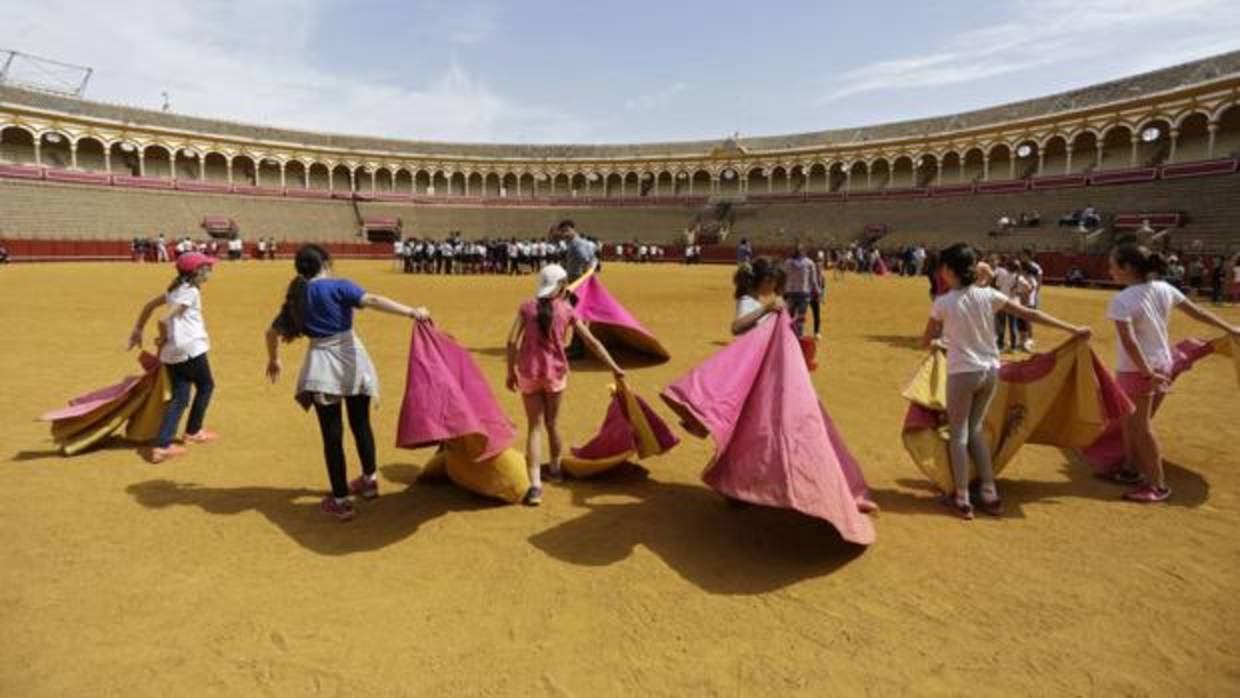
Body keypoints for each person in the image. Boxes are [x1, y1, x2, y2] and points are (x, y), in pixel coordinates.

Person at [921, 243, 1090, 520]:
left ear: (949, 271)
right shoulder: (989, 295)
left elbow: (926, 340)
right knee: (974, 430)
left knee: (959, 434)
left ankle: (962, 497)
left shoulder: (943, 303)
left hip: (962, 373)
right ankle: (989, 492)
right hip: (991, 372)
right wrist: (1073, 329)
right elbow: (1031, 314)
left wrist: (940, 342)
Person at [265, 244, 430, 522]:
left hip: (322, 367)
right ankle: (369, 480)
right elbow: (374, 300)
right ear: (326, 263)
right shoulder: (339, 286)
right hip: (353, 361)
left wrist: (274, 359)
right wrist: (412, 311)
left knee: (332, 436)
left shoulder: (298, 297)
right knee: (361, 423)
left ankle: (341, 500)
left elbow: (270, 332)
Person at [1105, 244, 1239, 502]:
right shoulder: (1165, 289)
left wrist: (1146, 372)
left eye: (1113, 266)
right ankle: (1131, 468)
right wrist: (1229, 328)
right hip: (1161, 361)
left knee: (1140, 425)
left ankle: (1157, 485)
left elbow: (1130, 342)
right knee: (1131, 420)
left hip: (1139, 368)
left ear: (1128, 268)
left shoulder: (1122, 299)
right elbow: (1198, 313)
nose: (1109, 271)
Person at [505, 264, 625, 506]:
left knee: (534, 427)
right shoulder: (567, 310)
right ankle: (557, 471)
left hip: (529, 372)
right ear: (561, 285)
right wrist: (614, 367)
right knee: (553, 423)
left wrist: (510, 371)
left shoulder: (527, 307)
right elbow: (591, 342)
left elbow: (510, 341)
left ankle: (536, 486)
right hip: (556, 374)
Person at [127, 252, 219, 464]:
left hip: (173, 354)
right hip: (190, 349)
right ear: (196, 272)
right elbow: (163, 318)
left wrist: (138, 330)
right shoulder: (191, 292)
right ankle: (193, 431)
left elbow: (148, 306)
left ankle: (162, 445)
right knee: (206, 386)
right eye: (207, 267)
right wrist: (163, 336)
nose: (210, 270)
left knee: (180, 396)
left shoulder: (174, 289)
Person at [731, 258, 786, 336]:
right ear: (764, 281)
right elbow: (736, 327)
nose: (774, 287)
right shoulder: (747, 301)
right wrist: (766, 309)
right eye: (771, 282)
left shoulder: (754, 301)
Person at [782, 244, 818, 337]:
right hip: (803, 293)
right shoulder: (809, 263)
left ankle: (788, 337)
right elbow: (813, 280)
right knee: (801, 319)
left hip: (790, 292)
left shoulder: (788, 262)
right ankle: (799, 337)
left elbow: (783, 277)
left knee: (789, 317)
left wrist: (782, 290)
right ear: (804, 252)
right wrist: (817, 291)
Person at [809, 253, 826, 339]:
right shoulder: (816, 268)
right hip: (812, 294)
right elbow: (820, 282)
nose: (819, 262)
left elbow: (822, 283)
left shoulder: (813, 268)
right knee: (816, 314)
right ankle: (816, 332)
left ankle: (816, 332)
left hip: (810, 293)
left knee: (815, 314)